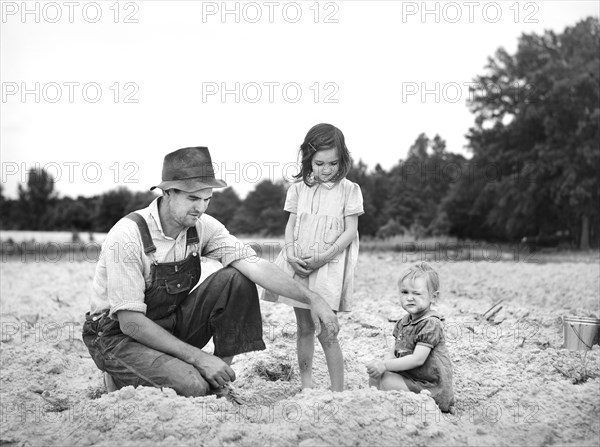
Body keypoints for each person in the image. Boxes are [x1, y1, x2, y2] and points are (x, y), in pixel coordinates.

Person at [82, 146, 339, 397]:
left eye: (207, 199)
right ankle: (121, 374)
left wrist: (311, 298)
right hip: (117, 336)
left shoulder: (202, 227)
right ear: (168, 192)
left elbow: (254, 264)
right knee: (192, 386)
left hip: (168, 324)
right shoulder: (127, 236)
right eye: (193, 198)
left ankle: (215, 376)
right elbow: (131, 323)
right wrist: (200, 358)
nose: (201, 208)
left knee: (238, 278)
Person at [262, 123, 364, 392]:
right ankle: (306, 386)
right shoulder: (298, 189)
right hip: (300, 262)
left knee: (328, 330)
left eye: (333, 163)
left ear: (343, 160)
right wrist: (291, 252)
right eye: (319, 163)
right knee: (304, 327)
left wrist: (324, 256)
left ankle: (337, 390)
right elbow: (291, 225)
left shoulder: (349, 189)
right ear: (308, 159)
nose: (326, 169)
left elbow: (350, 231)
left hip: (328, 264)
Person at [366, 261, 454, 412]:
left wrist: (385, 367)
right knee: (378, 376)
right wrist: (381, 365)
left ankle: (380, 404)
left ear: (433, 297)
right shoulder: (403, 322)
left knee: (386, 380)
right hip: (411, 378)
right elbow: (393, 353)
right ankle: (373, 404)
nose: (410, 298)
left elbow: (417, 359)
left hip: (430, 387)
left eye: (417, 293)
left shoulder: (430, 324)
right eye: (405, 292)